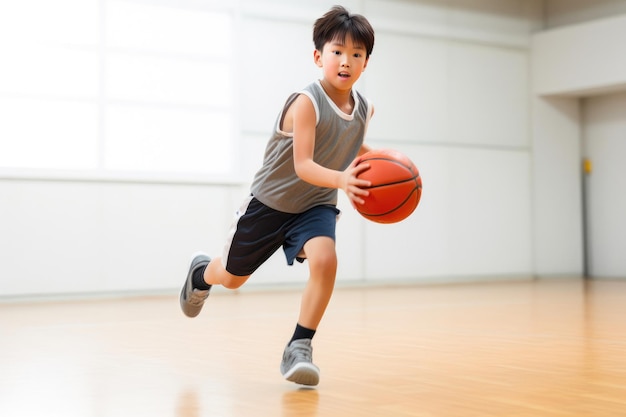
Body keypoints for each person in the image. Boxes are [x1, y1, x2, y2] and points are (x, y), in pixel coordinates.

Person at [179, 5, 376, 386]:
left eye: (356, 55)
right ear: (319, 56)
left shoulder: (365, 110)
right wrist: (343, 179)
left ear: (366, 63)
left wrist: (387, 163)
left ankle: (299, 346)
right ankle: (202, 273)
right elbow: (303, 164)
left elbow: (350, 143)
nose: (346, 61)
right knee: (233, 278)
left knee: (325, 260)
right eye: (337, 52)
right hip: (270, 204)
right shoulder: (306, 102)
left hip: (316, 205)